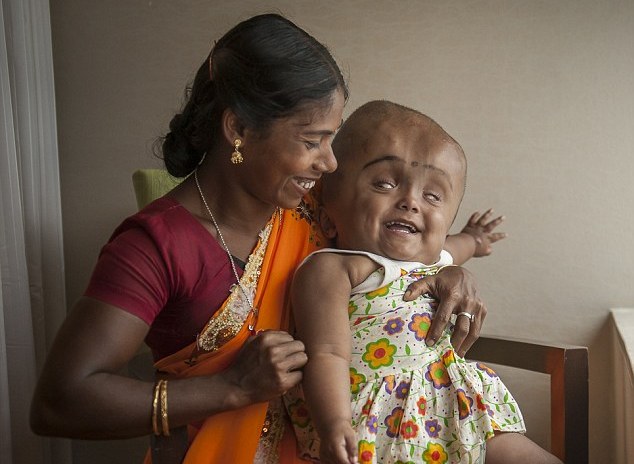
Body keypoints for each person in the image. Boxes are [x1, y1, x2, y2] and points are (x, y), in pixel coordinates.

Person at [30, 14, 488, 464]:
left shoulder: (316, 208)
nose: (330, 163)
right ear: (239, 130)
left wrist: (449, 271)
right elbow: (60, 402)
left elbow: (401, 247)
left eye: (331, 139)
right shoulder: (155, 246)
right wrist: (231, 387)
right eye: (311, 141)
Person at [286, 101, 562, 464]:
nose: (410, 202)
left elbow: (456, 247)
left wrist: (475, 239)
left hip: (457, 411)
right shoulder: (334, 268)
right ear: (328, 219)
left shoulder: (434, 262)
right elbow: (327, 352)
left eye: (432, 195)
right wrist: (334, 423)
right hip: (375, 424)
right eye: (384, 183)